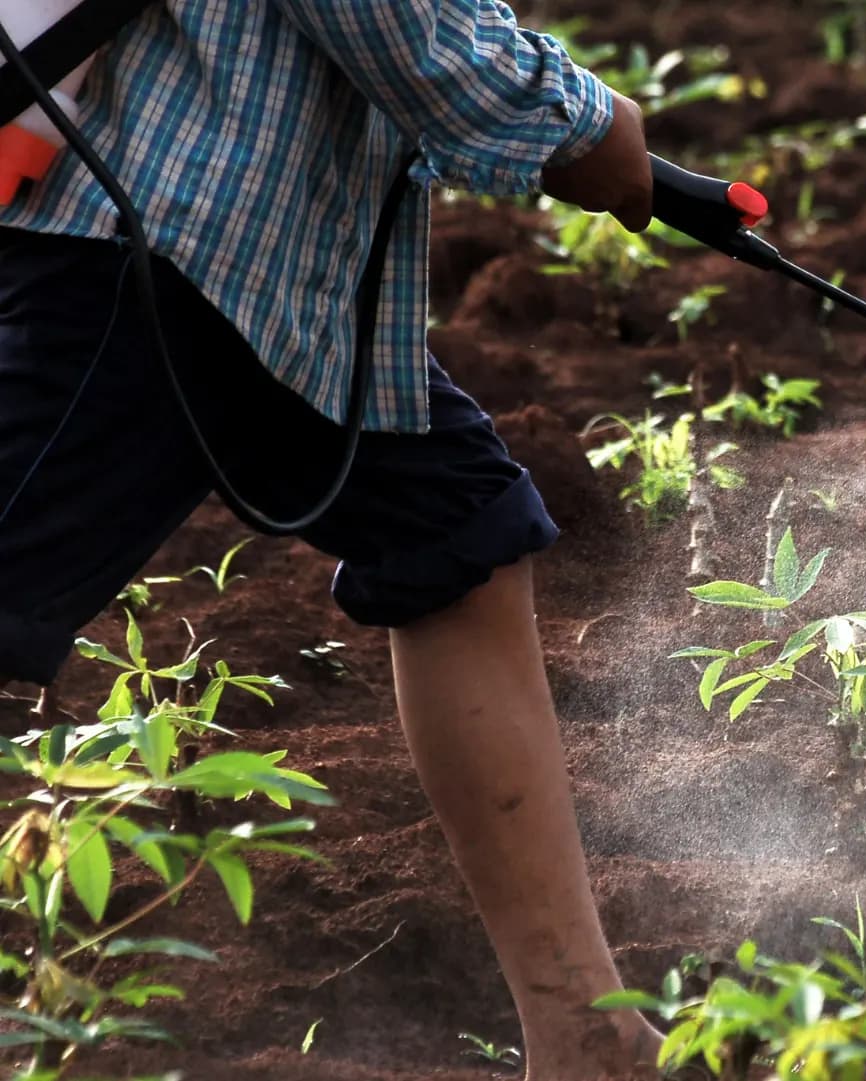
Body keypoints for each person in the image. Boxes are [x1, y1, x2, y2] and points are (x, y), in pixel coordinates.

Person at [0, 3, 667, 1078]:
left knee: (456, 528)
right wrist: (581, 128)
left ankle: (592, 1038)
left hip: (266, 262)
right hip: (159, 242)